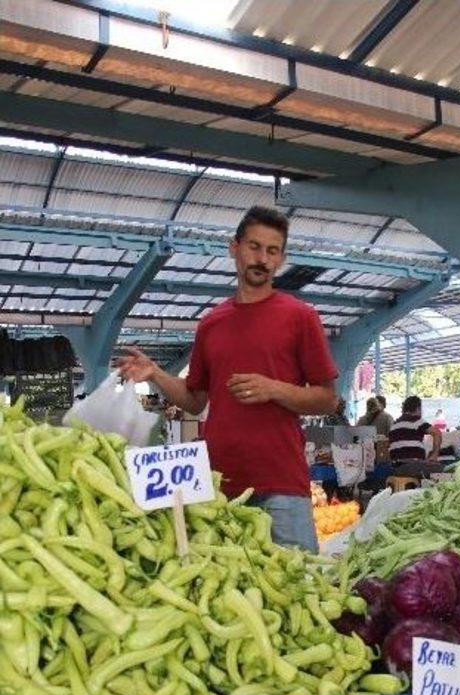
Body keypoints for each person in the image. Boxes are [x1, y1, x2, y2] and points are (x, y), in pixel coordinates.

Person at [117, 205, 338, 553]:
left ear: (281, 259)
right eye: (254, 246)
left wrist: (273, 388)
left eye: (272, 250)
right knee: (229, 596)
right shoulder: (211, 324)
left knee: (300, 587)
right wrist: (156, 374)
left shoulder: (301, 317)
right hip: (219, 485)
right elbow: (195, 400)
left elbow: (328, 398)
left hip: (281, 485)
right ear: (234, 248)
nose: (262, 258)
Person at [389, 395, 442, 463]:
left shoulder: (394, 425)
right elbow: (437, 433)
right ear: (417, 408)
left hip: (396, 465)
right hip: (414, 463)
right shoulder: (416, 420)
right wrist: (434, 455)